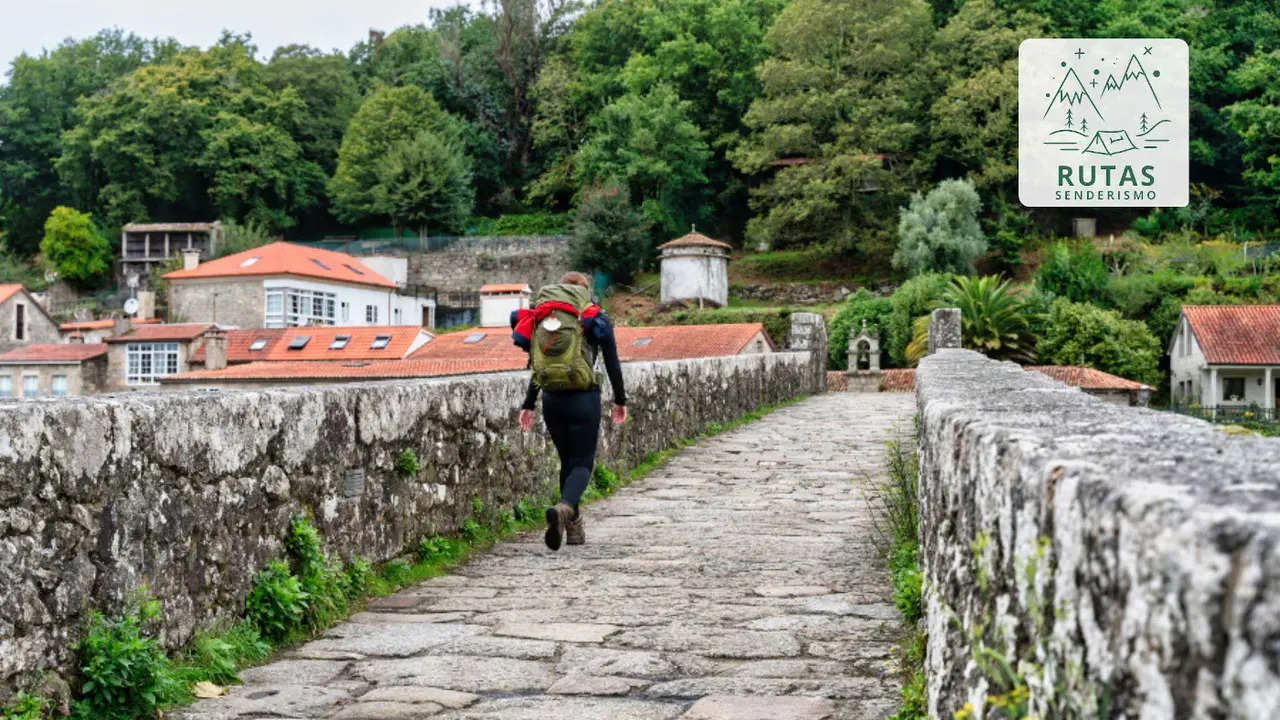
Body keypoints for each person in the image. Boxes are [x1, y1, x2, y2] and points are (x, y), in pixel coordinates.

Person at [514, 272, 627, 551]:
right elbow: (612, 363)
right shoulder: (593, 316)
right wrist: (620, 400)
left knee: (567, 461)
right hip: (583, 398)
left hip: (551, 399)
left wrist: (529, 404)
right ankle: (565, 509)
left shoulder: (542, 316)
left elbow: (537, 361)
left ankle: (573, 527)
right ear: (584, 292)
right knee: (582, 463)